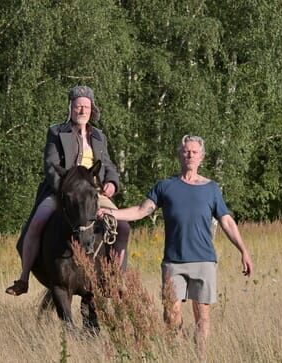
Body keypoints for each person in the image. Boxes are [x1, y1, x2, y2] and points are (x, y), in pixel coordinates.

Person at [97, 135, 253, 353]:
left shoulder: (212, 188)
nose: (190, 155)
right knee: (171, 314)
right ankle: (177, 355)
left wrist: (243, 251)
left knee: (203, 315)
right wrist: (111, 213)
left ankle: (201, 357)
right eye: (186, 151)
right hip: (173, 262)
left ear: (202, 157)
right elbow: (142, 211)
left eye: (195, 152)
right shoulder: (165, 186)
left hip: (204, 261)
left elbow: (226, 221)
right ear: (179, 155)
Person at [6, 85, 130, 296]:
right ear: (71, 108)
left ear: (92, 110)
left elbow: (108, 165)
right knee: (36, 224)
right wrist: (64, 190)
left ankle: (116, 279)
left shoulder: (99, 136)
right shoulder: (56, 132)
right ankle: (24, 278)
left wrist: (112, 182)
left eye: (86, 107)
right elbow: (50, 164)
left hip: (94, 193)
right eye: (78, 106)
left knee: (124, 227)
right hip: (63, 191)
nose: (82, 110)